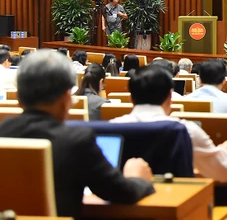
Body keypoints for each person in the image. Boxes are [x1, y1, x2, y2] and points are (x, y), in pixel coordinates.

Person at [0, 50, 154, 216]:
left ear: (19, 99)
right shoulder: (76, 141)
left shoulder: (3, 131)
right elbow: (122, 193)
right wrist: (137, 177)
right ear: (66, 97)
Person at [112, 65, 227, 182]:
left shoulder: (111, 128)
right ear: (170, 97)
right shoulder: (187, 130)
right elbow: (224, 173)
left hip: (121, 204)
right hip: (177, 204)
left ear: (131, 99)